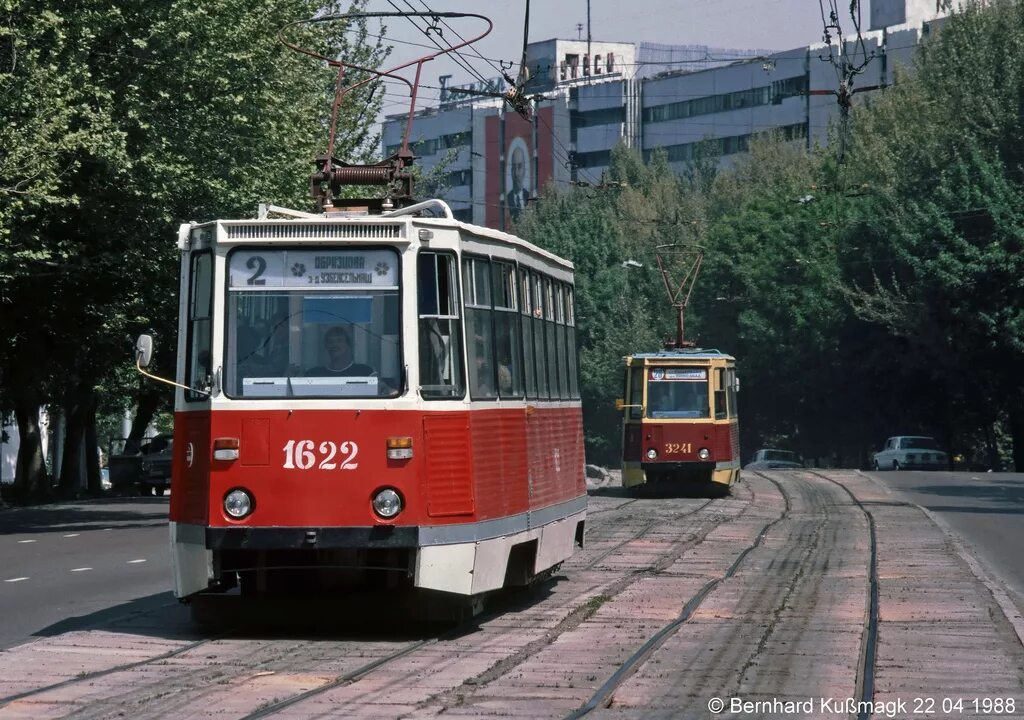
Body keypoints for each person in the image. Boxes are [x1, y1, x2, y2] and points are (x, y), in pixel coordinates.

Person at [306, 326, 376, 377]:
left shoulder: (364, 372)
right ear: (326, 346)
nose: (334, 344)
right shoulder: (314, 374)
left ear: (348, 345)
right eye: (330, 341)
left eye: (339, 340)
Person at [505, 143, 530, 221]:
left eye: (519, 167)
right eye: (513, 167)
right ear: (511, 171)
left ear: (525, 170)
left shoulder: (529, 196)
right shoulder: (506, 198)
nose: (516, 173)